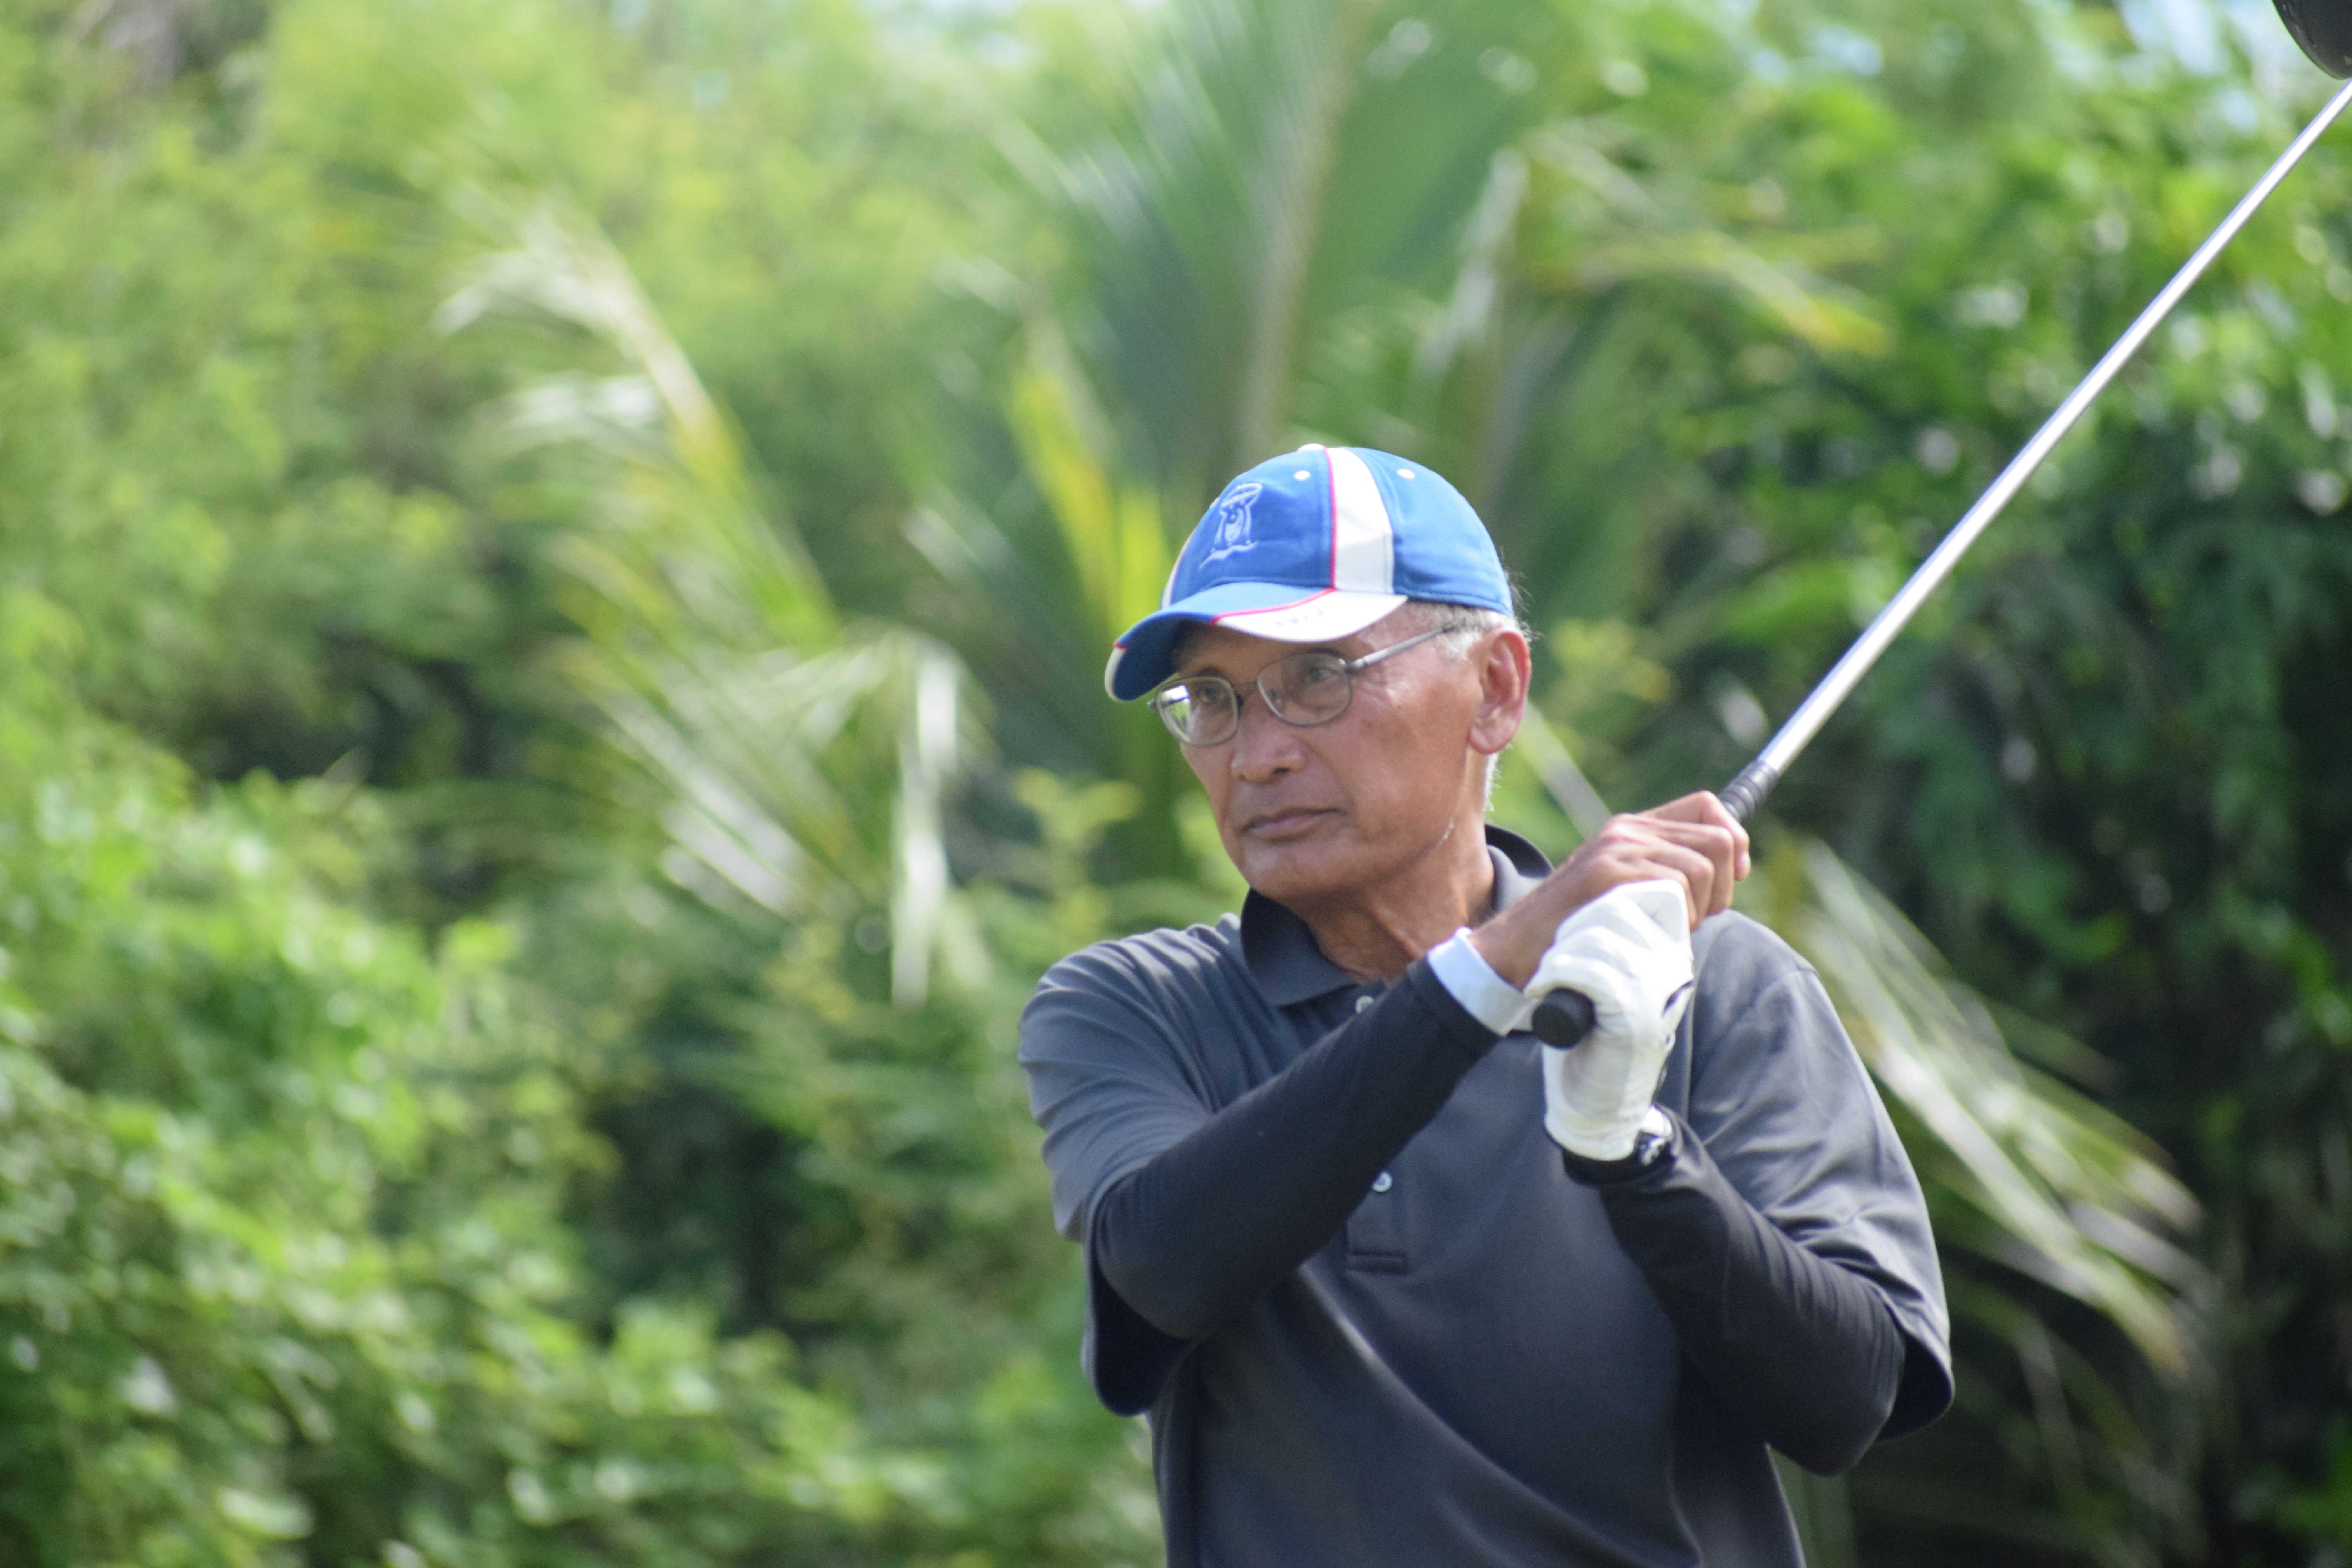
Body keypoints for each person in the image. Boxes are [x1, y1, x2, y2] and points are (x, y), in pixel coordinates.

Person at [1018, 445, 1951, 1567]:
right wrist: (1490, 968)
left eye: (1317, 678)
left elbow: (1846, 1402)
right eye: (1212, 700)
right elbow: (1165, 1266)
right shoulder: (1138, 1006)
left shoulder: (1721, 988)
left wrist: (1637, 1153)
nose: (1256, 755)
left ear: (1496, 689)